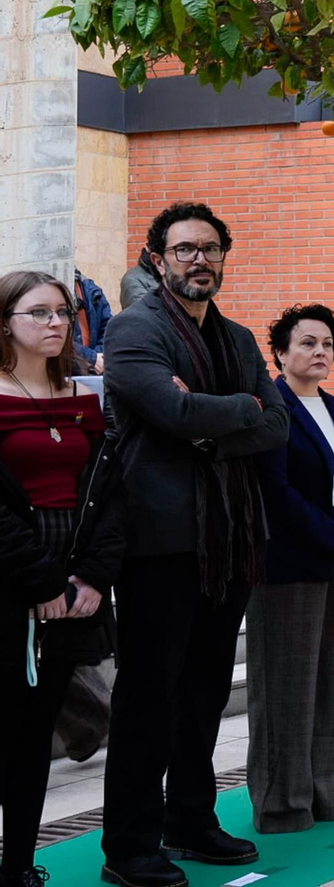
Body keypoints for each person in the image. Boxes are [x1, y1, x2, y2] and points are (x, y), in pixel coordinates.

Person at [100, 202, 289, 887]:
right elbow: (172, 411)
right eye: (183, 249)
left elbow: (278, 426)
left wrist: (213, 420)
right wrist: (239, 409)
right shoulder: (131, 330)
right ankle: (128, 842)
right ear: (157, 258)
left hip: (231, 536)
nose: (198, 259)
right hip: (159, 540)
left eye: (210, 248)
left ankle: (189, 816)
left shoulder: (237, 338)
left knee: (206, 687)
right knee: (149, 693)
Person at [0, 271, 123, 887]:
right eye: (38, 312)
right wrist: (41, 583)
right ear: (6, 322)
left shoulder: (86, 396)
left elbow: (107, 493)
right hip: (14, 581)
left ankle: (20, 864)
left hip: (75, 591)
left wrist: (94, 576)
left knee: (34, 735)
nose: (55, 323)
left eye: (63, 312)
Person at [247, 305, 334, 832]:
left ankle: (325, 795)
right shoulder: (269, 406)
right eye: (306, 343)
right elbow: (275, 493)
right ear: (280, 352)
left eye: (327, 344)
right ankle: (282, 803)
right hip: (290, 554)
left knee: (328, 679)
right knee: (285, 683)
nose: (319, 352)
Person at [72, 267, 114, 375]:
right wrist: (92, 357)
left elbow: (109, 329)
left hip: (94, 373)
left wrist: (99, 356)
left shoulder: (90, 289)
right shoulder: (43, 289)